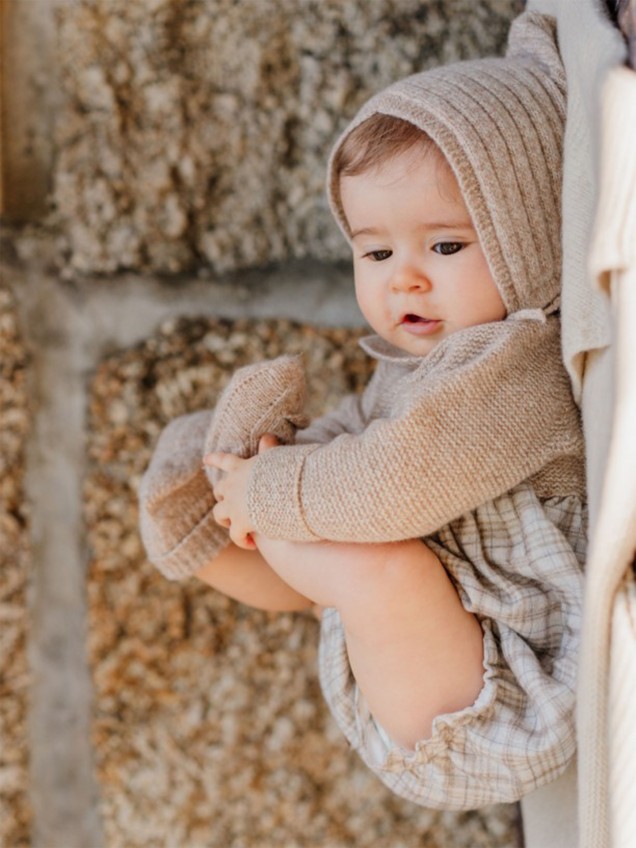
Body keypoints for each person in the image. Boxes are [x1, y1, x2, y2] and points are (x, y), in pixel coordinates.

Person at [139, 11, 587, 810]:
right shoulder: (410, 379)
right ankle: (199, 529)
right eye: (376, 252)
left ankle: (255, 512)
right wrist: (246, 480)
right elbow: (362, 451)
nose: (403, 280)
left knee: (372, 551)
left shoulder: (518, 366)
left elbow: (397, 478)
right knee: (329, 531)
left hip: (510, 685)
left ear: (529, 236)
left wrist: (276, 489)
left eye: (444, 247)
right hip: (432, 660)